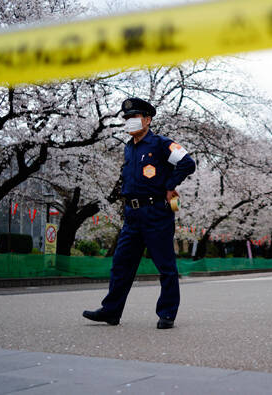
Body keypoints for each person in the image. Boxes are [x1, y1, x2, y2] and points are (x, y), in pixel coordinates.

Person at [83, 98, 195, 329]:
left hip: (156, 212)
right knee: (121, 264)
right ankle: (111, 311)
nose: (129, 122)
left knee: (165, 265)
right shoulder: (129, 147)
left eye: (134, 117)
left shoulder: (161, 144)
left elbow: (187, 162)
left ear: (147, 119)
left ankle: (167, 313)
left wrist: (170, 185)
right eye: (126, 118)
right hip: (132, 214)